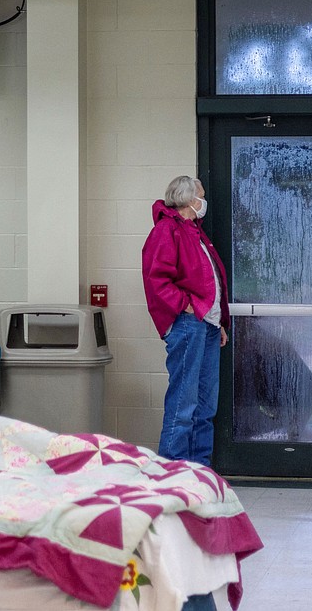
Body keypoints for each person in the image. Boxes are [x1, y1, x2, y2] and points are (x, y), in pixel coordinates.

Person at [141, 175, 230, 466]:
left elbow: (210, 280)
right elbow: (157, 279)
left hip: (207, 326)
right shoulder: (167, 230)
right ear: (191, 199)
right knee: (184, 402)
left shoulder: (194, 232)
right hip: (188, 325)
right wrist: (186, 306)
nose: (204, 202)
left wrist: (219, 322)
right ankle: (173, 472)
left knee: (205, 404)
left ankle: (199, 470)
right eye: (201, 195)